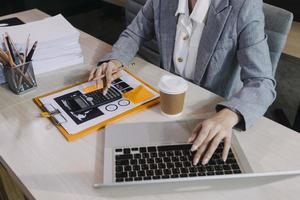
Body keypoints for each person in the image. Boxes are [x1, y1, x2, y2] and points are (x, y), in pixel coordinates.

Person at [89, 0, 276, 165]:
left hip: (211, 115)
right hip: (167, 105)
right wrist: (114, 60)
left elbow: (262, 82)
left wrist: (229, 115)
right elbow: (135, 33)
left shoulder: (244, 5)